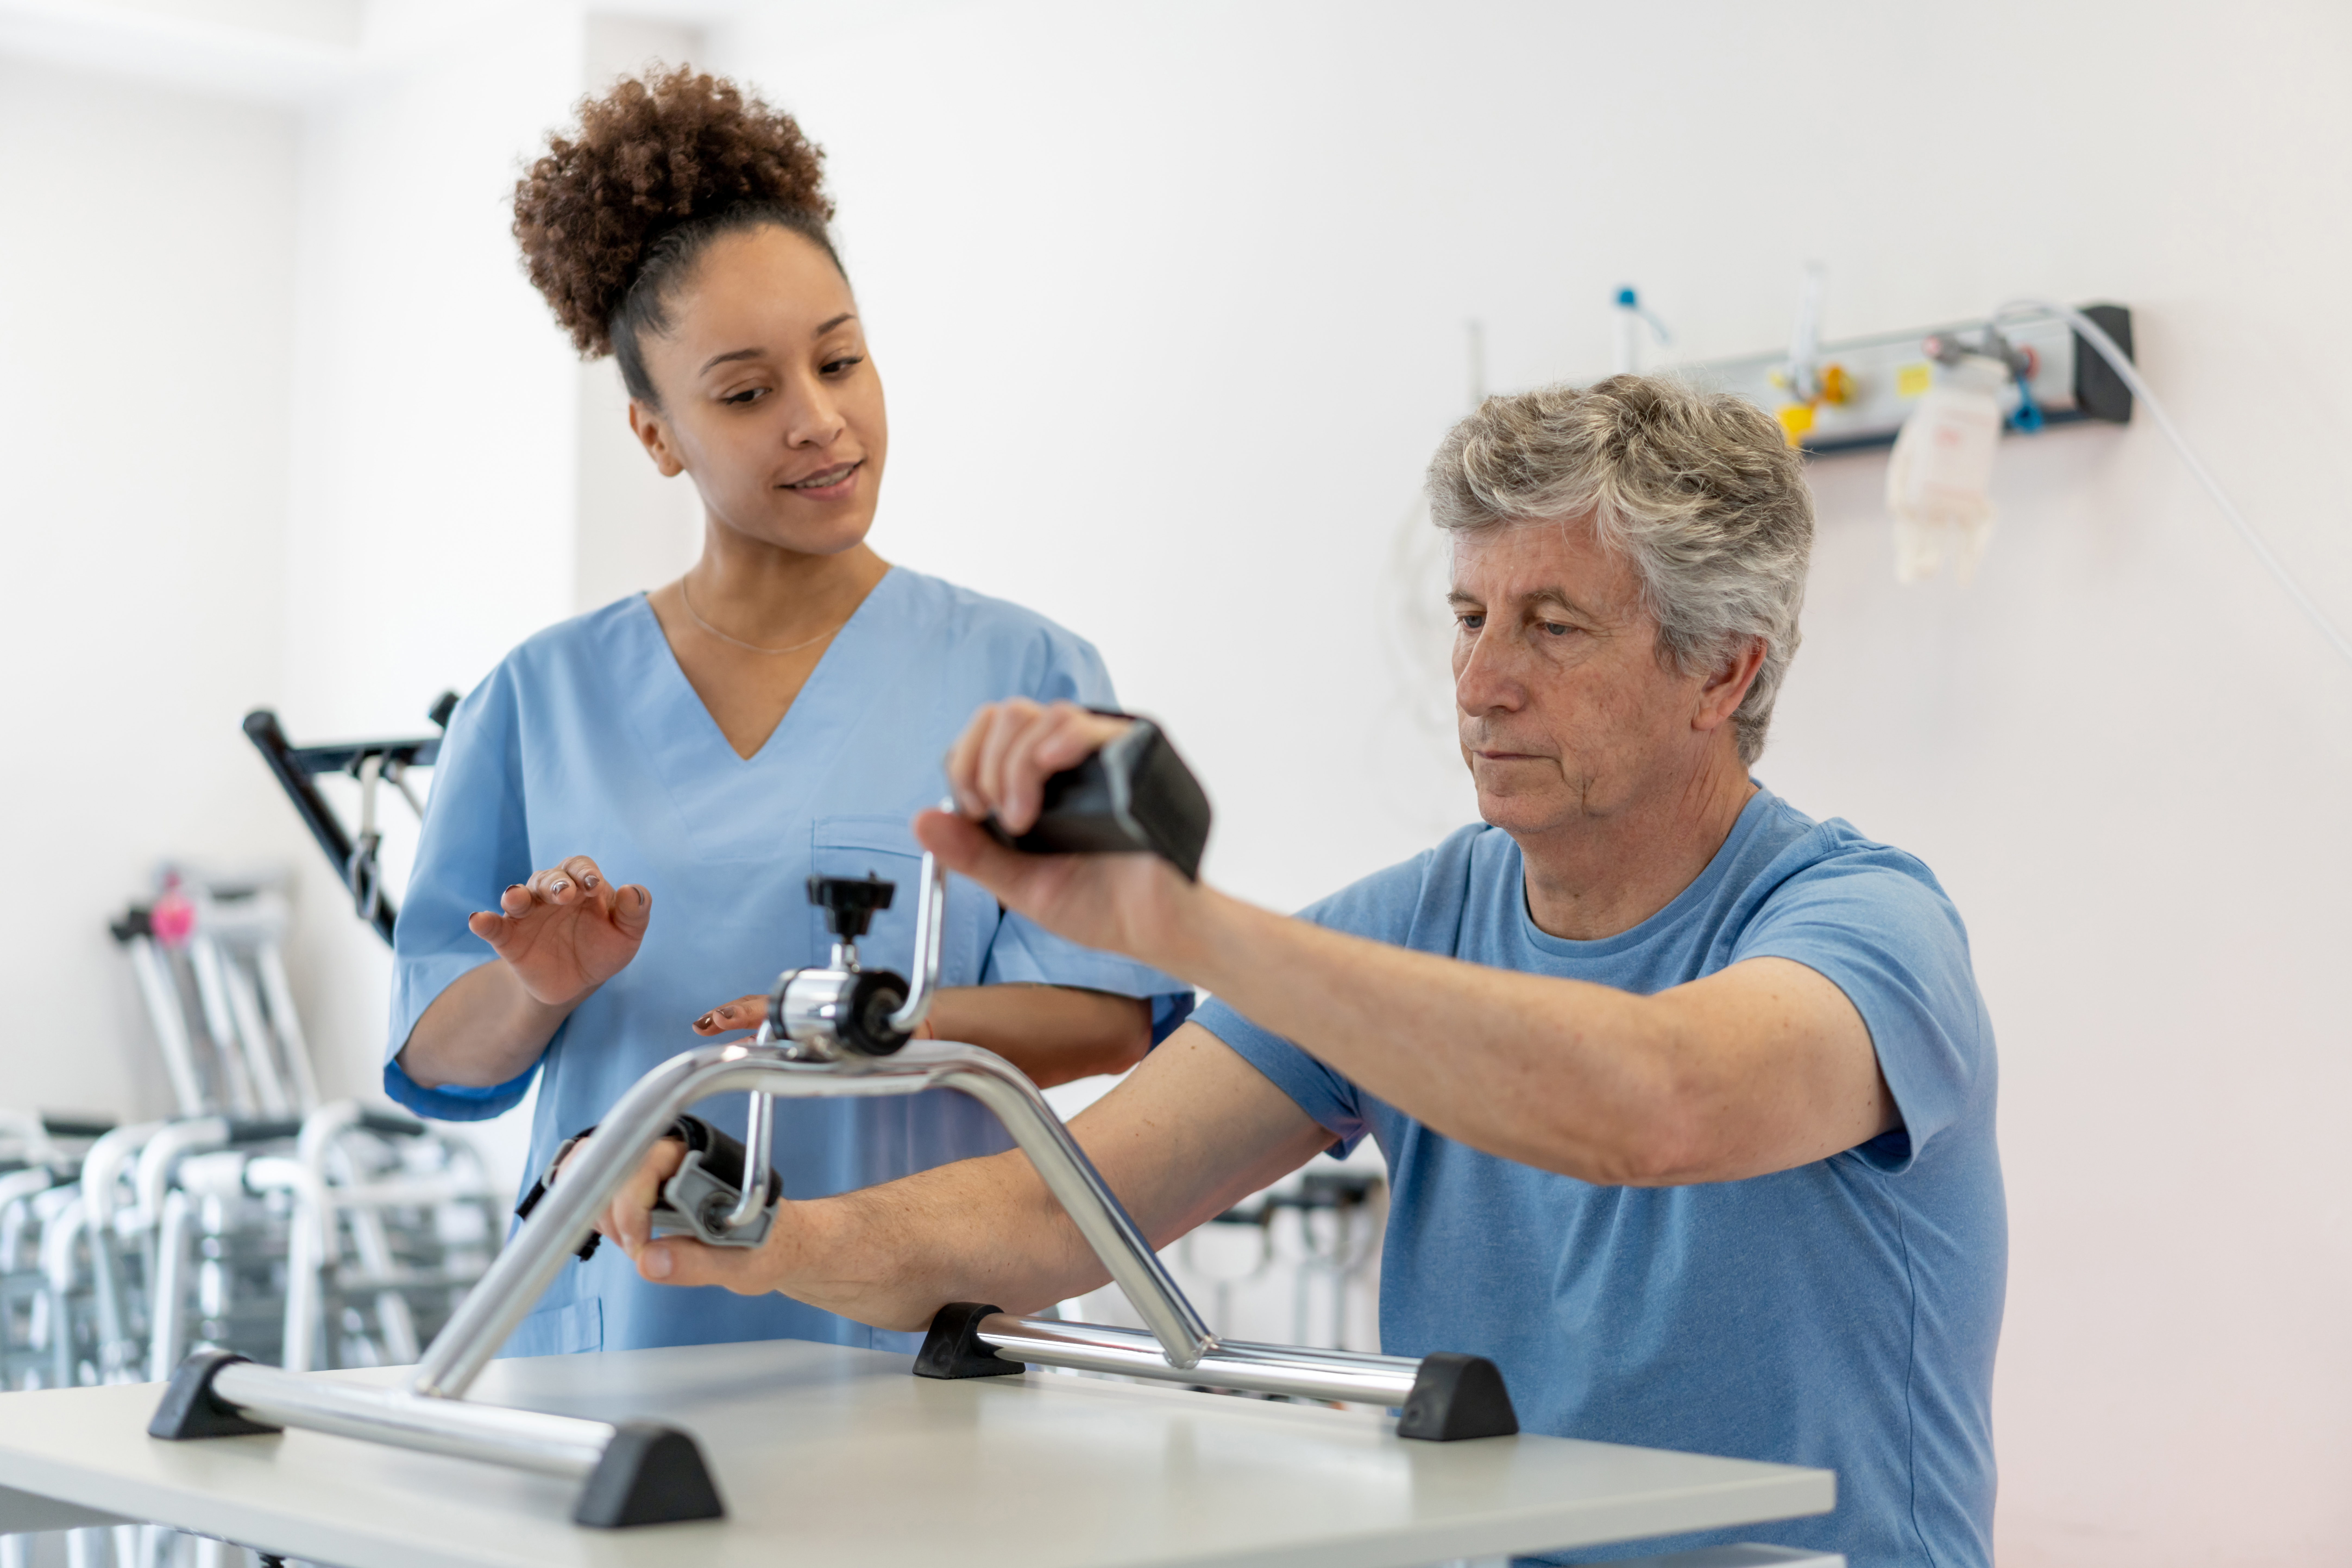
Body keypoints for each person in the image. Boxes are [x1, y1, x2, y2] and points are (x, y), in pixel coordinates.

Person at [587, 376, 2005, 1567]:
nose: (1480, 682)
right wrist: (768, 1237)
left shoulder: (1867, 931)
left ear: (1721, 674)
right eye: (1469, 618)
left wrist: (1180, 924)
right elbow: (1055, 1217)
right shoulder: (1415, 922)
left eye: (1553, 627)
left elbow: (1658, 1107)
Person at [387, 68, 1189, 1359]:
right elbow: (440, 1058)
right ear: (657, 435)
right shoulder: (539, 697)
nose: (821, 423)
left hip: (927, 1329)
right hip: (620, 1343)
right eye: (747, 393)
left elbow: (1104, 1014)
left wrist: (858, 1019)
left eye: (840, 360)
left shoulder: (1025, 668)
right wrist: (535, 989)